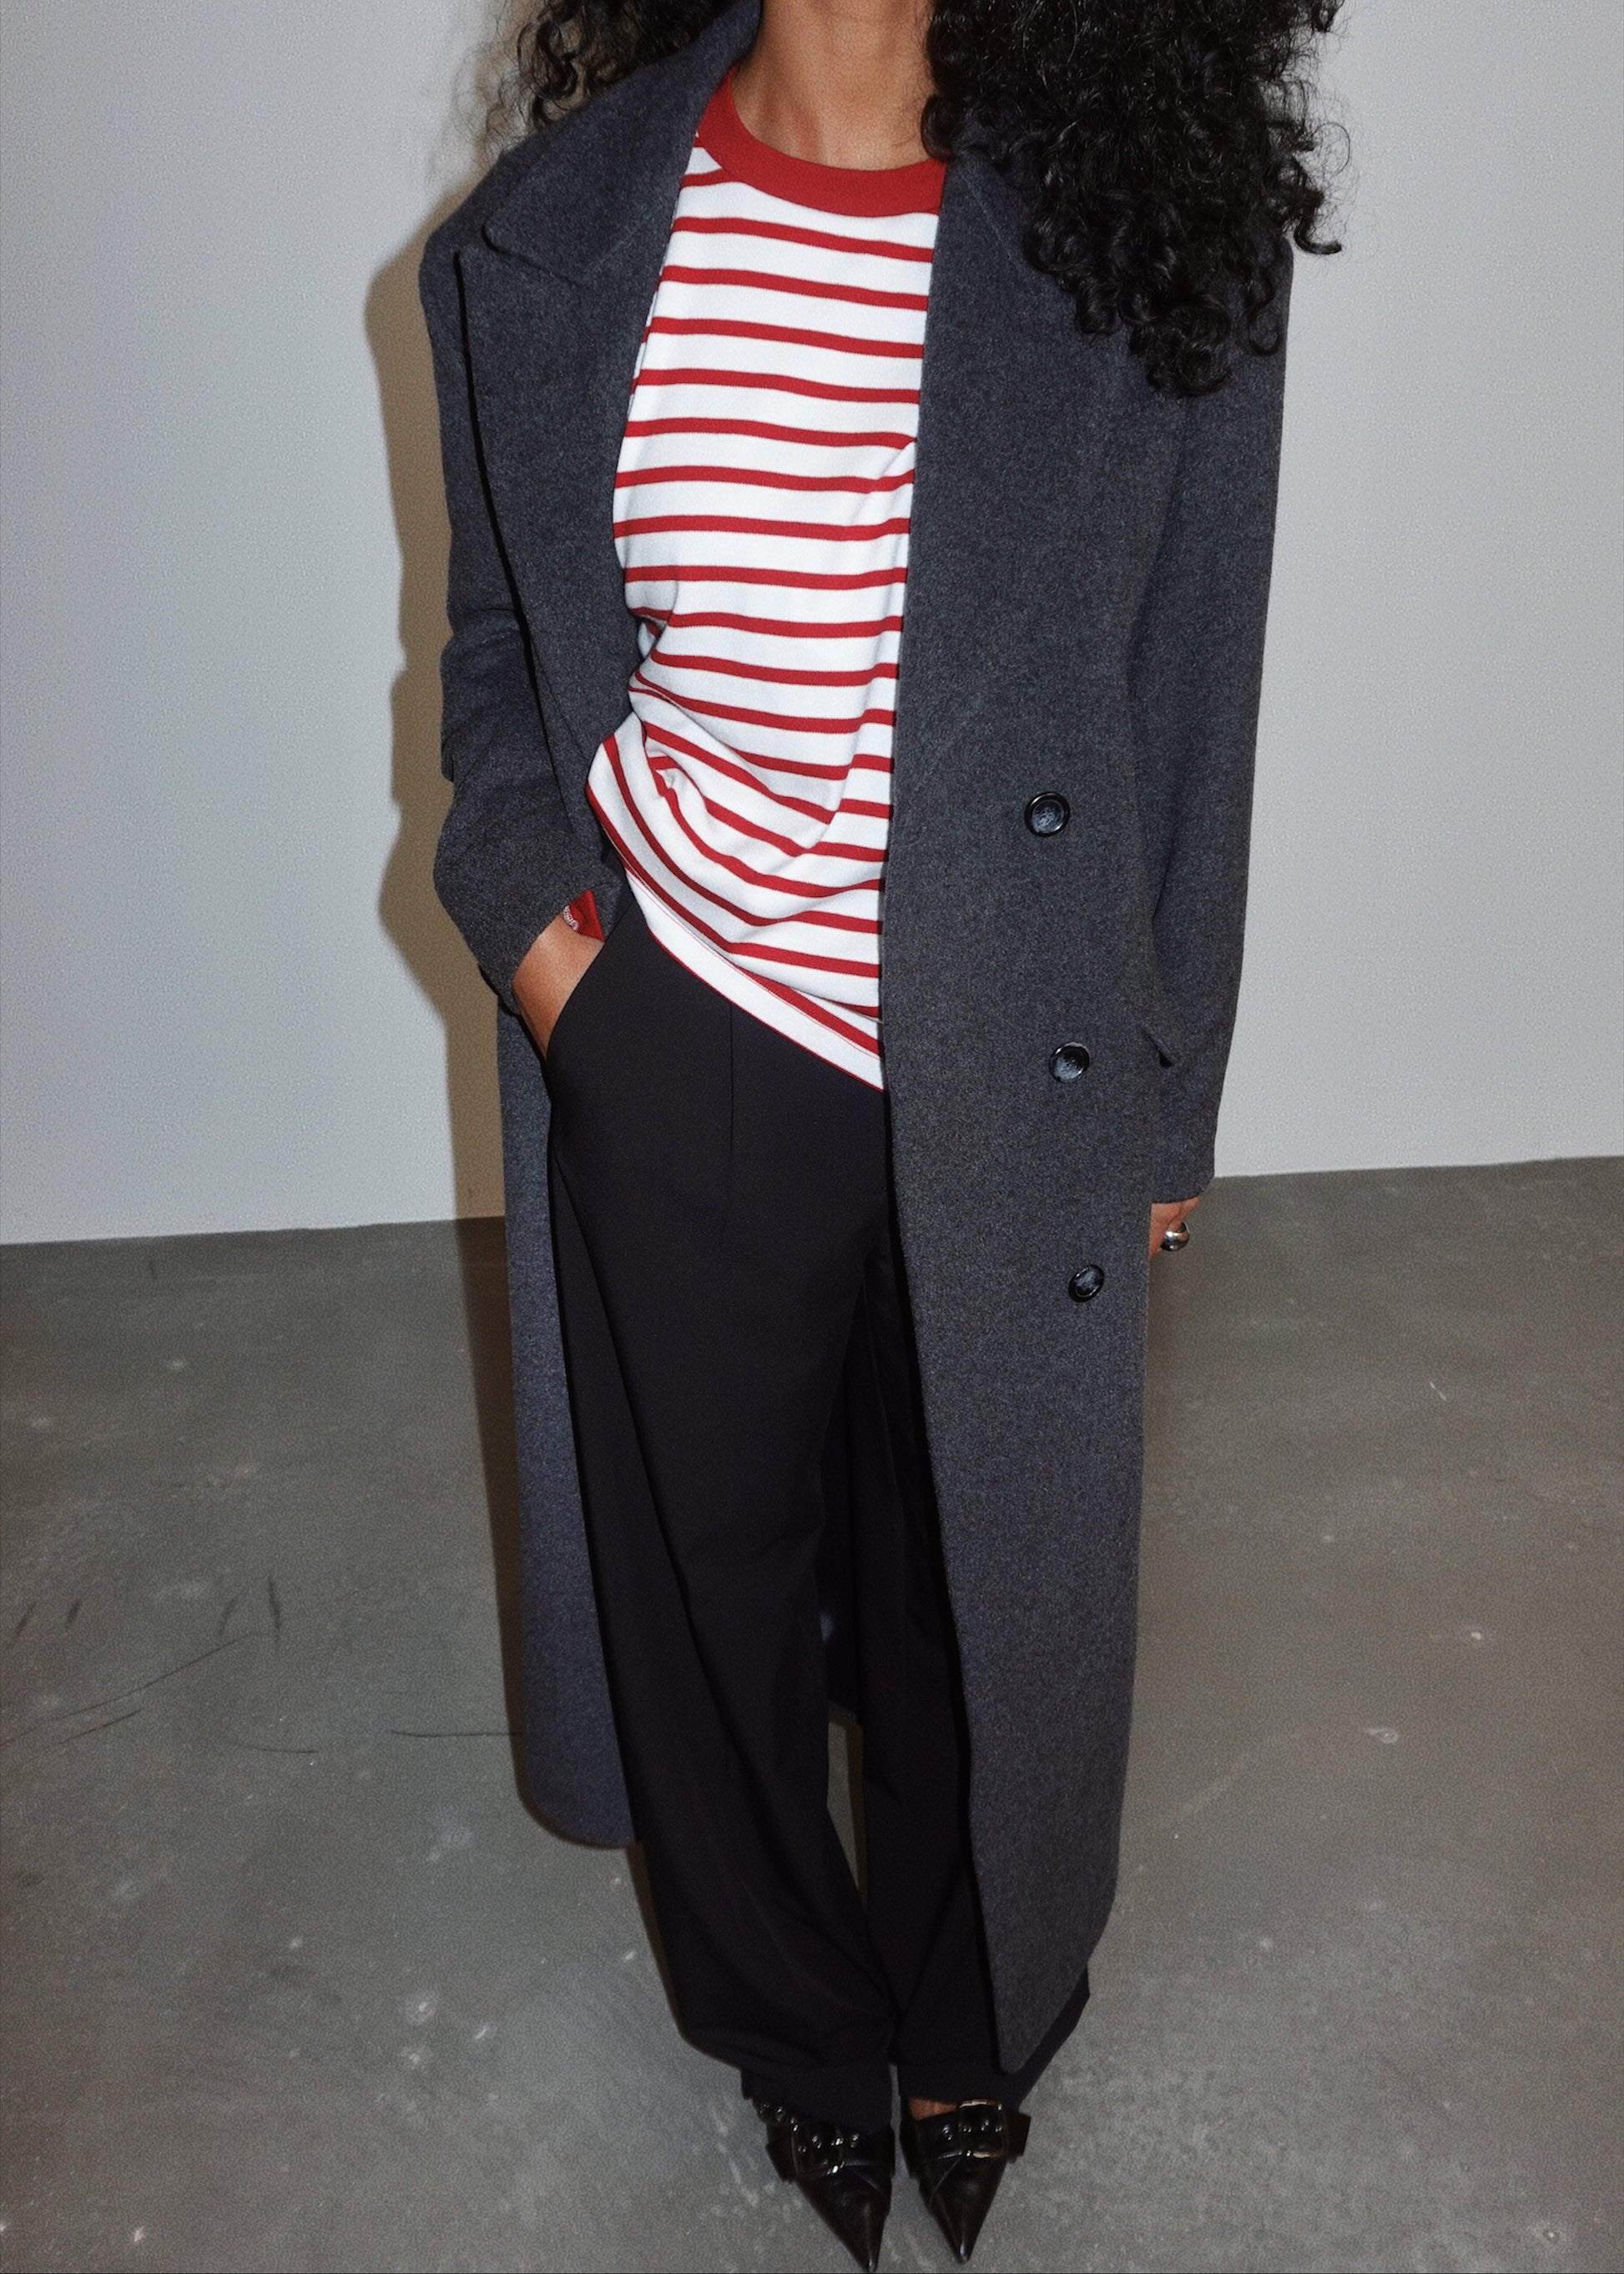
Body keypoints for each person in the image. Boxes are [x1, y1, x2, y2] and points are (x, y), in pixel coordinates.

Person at [420, 0, 1339, 2261]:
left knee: (970, 1586)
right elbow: (498, 669)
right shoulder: (550, 238)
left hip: (1011, 1043)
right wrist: (560, 970)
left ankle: (967, 2011)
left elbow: (1192, 694)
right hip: (685, 1029)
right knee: (708, 1594)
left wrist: (1170, 1092)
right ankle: (796, 2032)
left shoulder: (1153, 229)